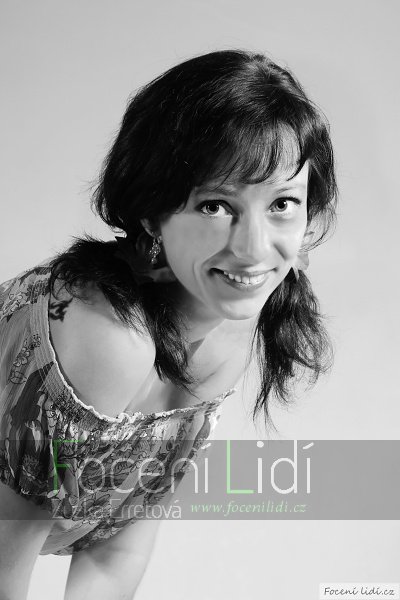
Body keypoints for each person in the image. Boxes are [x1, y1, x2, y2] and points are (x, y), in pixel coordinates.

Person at [0, 49, 337, 599]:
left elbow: (118, 548)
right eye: (215, 205)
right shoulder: (107, 336)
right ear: (152, 213)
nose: (254, 249)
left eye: (282, 204)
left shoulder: (230, 333)